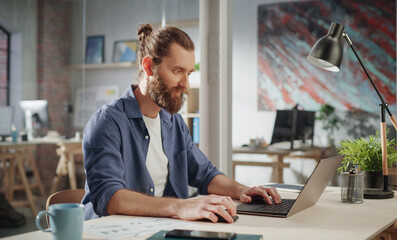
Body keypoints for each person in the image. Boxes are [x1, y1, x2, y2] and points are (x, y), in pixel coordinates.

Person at [81, 23, 281, 223]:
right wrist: (181, 207)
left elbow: (205, 174)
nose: (185, 84)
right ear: (149, 67)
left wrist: (243, 190)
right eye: (177, 71)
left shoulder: (173, 122)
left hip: (162, 230)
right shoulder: (107, 122)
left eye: (189, 73)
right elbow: (109, 197)